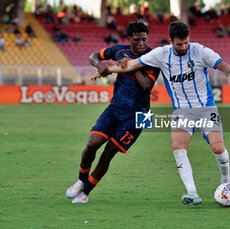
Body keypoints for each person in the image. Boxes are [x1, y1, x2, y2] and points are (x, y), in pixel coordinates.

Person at [94, 21, 230, 205]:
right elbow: (131, 66)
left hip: (206, 108)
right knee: (177, 146)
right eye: (179, 44)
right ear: (171, 41)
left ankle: (225, 183)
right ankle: (192, 193)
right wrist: (106, 70)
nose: (184, 47)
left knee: (217, 147)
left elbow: (221, 64)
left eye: (186, 42)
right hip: (182, 111)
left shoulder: (199, 51)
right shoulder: (161, 54)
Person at [65, 22, 160, 204]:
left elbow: (147, 86)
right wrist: (98, 64)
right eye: (137, 39)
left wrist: (133, 65)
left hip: (140, 114)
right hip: (115, 107)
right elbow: (93, 55)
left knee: (108, 153)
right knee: (91, 144)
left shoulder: (153, 56)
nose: (142, 43)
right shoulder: (119, 50)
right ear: (129, 39)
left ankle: (86, 193)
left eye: (144, 39)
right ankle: (81, 181)